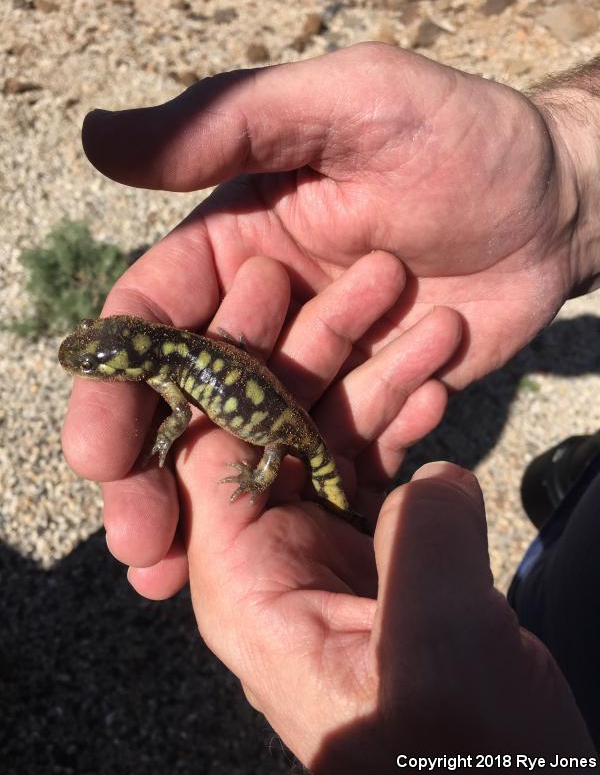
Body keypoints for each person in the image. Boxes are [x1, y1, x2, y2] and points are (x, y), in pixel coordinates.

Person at [61, 44, 600, 766]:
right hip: (283, 424)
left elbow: (188, 410)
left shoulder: (167, 361)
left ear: (130, 350)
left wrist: (257, 474)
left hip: (287, 436)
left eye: (98, 355)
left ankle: (370, 516)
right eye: (98, 354)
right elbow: (178, 409)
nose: (93, 363)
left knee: (308, 472)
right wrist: (569, 171)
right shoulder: (163, 357)